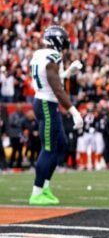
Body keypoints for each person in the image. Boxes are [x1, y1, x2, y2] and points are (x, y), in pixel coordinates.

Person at [28, 25, 84, 205]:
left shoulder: (39, 54)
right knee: (49, 148)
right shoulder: (52, 57)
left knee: (61, 144)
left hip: (45, 101)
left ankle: (44, 187)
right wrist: (74, 112)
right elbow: (57, 89)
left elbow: (51, 80)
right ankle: (37, 192)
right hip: (46, 103)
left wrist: (68, 73)